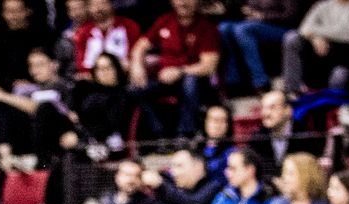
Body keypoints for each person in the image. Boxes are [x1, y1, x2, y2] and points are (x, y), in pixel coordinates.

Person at [128, 0, 220, 137]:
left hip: (196, 80)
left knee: (190, 82)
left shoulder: (206, 27)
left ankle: (186, 134)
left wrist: (180, 71)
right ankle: (159, 134)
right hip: (164, 79)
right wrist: (137, 65)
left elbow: (209, 66)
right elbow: (140, 46)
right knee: (134, 89)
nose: (183, 3)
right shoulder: (165, 20)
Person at [281, 0, 349, 96]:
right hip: (320, 54)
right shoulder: (323, 5)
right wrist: (314, 38)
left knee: (340, 75)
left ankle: (330, 100)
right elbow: (304, 28)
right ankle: (292, 92)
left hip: (346, 58)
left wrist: (316, 33)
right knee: (292, 37)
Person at [219, 0, 304, 94]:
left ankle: (261, 82)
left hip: (282, 28)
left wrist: (262, 16)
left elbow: (291, 15)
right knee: (224, 28)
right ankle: (233, 81)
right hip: (253, 24)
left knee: (242, 30)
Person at [247, 91, 322, 179]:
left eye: (272, 107)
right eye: (263, 108)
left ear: (288, 110)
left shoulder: (306, 137)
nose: (266, 113)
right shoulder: (257, 139)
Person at [0, 0, 54, 91]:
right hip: (6, 88)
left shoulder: (42, 36)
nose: (13, 16)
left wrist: (30, 82)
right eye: (8, 11)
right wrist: (10, 84)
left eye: (17, 11)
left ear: (27, 11)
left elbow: (48, 67)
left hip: (38, 86)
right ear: (3, 13)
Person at [72, 0, 141, 76]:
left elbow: (135, 54)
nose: (98, 8)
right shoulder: (83, 32)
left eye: (102, 3)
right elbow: (81, 63)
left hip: (124, 74)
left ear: (111, 4)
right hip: (91, 78)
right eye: (93, 5)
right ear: (88, 8)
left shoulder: (129, 26)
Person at [194, 103, 233, 176]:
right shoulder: (195, 148)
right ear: (205, 122)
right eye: (215, 120)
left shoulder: (231, 153)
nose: (218, 125)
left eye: (223, 121)